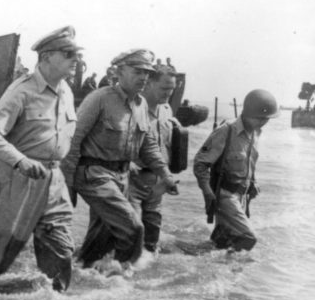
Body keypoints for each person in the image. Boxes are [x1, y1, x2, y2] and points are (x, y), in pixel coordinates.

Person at [0, 26, 81, 292]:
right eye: (67, 54)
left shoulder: (66, 91)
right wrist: (21, 161)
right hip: (17, 178)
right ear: (46, 57)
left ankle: (55, 296)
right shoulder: (22, 91)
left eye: (75, 54)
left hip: (53, 179)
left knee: (61, 247)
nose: (74, 59)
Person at [61, 49, 178, 274]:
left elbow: (148, 145)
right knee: (133, 228)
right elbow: (73, 139)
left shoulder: (141, 104)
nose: (143, 77)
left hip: (122, 177)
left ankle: (81, 277)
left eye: (146, 72)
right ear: (119, 72)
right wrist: (68, 183)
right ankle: (123, 278)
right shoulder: (99, 99)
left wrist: (166, 175)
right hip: (94, 174)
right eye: (137, 71)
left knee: (102, 239)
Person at [194, 89, 278, 252]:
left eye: (266, 119)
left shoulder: (255, 132)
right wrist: (206, 191)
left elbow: (250, 161)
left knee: (223, 243)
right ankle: (228, 270)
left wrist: (253, 182)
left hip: (242, 197)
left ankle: (213, 271)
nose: (263, 123)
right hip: (225, 196)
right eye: (260, 118)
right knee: (248, 237)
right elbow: (200, 162)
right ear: (247, 113)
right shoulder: (227, 130)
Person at [128, 64, 179, 258]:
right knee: (130, 230)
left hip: (157, 182)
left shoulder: (166, 109)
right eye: (164, 88)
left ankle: (145, 275)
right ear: (149, 83)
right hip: (133, 179)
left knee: (151, 232)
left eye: (172, 89)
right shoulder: (132, 108)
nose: (168, 93)